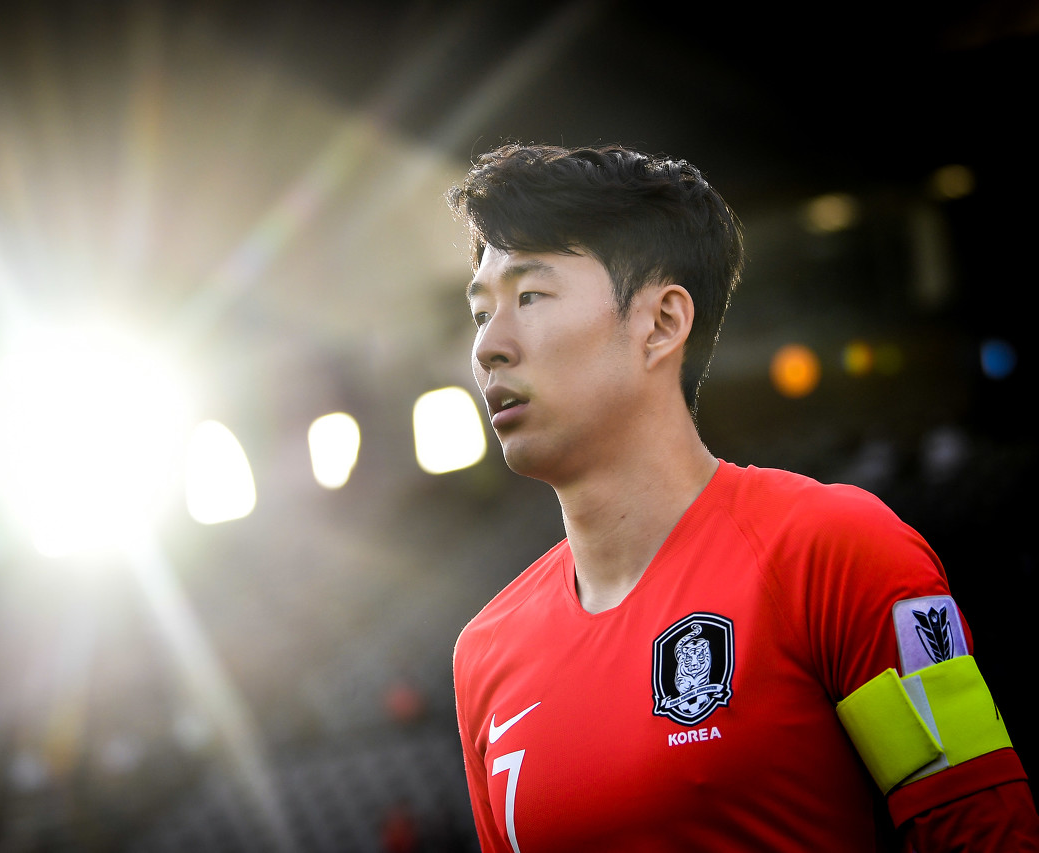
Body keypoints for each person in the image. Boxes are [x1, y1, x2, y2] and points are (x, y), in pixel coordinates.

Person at [445, 142, 1039, 852]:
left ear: (662, 323)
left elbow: (984, 835)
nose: (488, 347)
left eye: (530, 297)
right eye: (480, 312)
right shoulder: (485, 653)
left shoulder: (833, 552)